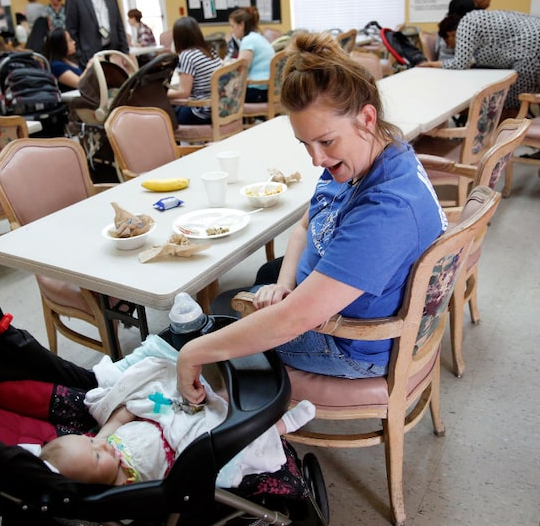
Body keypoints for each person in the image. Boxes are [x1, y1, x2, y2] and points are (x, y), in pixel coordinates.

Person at [175, 31, 447, 405]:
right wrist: (286, 284)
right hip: (330, 304)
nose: (316, 159)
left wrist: (193, 353)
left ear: (366, 118)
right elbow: (307, 223)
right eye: (305, 144)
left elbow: (292, 320)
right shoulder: (374, 150)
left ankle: (235, 409)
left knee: (221, 312)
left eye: (325, 142)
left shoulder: (386, 210)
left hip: (352, 345)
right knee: (265, 278)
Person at [39, 350, 315, 487]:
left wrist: (133, 410)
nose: (100, 447)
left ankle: (220, 399)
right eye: (96, 457)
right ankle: (280, 426)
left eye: (89, 443)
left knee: (183, 392)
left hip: (164, 418)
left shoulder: (105, 440)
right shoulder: (127, 485)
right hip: (187, 446)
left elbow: (123, 417)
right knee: (235, 442)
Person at [420, 10, 540, 116]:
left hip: (535, 44)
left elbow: (461, 63)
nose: (452, 47)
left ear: (450, 34)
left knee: (509, 100)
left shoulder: (465, 24)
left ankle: (501, 146)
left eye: (449, 43)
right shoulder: (481, 20)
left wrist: (434, 64)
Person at [65, 0, 130, 67]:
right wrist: (80, 55)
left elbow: (119, 25)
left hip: (113, 53)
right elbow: (71, 30)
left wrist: (125, 52)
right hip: (89, 56)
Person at [166, 17, 222, 125]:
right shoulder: (210, 51)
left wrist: (163, 94)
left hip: (201, 112)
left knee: (165, 116)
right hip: (218, 108)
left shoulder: (187, 56)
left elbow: (184, 93)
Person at [228, 6, 274, 103]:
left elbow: (241, 68)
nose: (231, 31)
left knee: (225, 97)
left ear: (242, 25)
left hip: (258, 90)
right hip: (268, 89)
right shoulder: (258, 37)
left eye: (233, 26)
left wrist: (227, 64)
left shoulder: (248, 40)